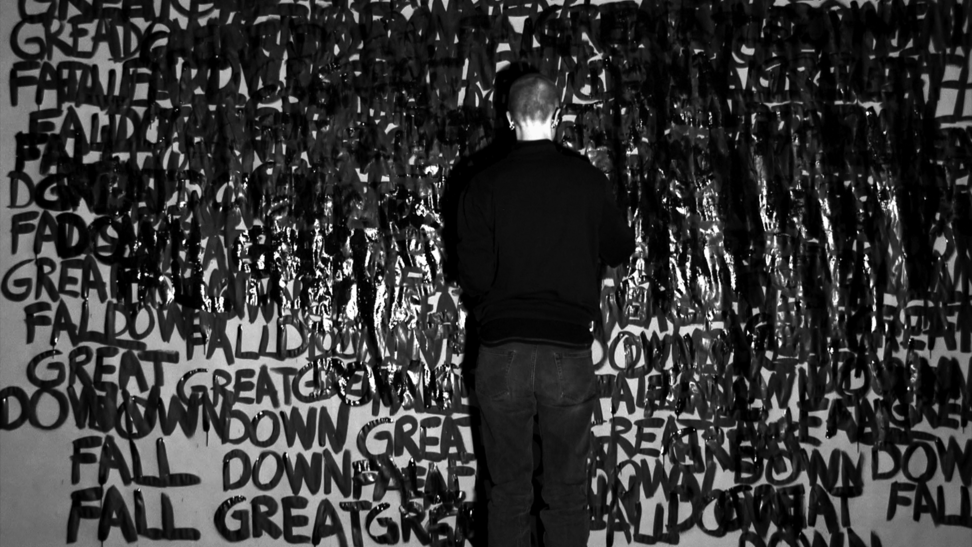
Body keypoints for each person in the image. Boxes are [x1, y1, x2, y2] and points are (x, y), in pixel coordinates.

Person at [456, 73, 636, 547]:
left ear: (508, 118)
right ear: (557, 117)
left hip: (502, 352)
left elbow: (474, 280)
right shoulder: (587, 180)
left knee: (507, 494)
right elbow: (620, 248)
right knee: (567, 494)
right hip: (567, 352)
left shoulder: (483, 183)